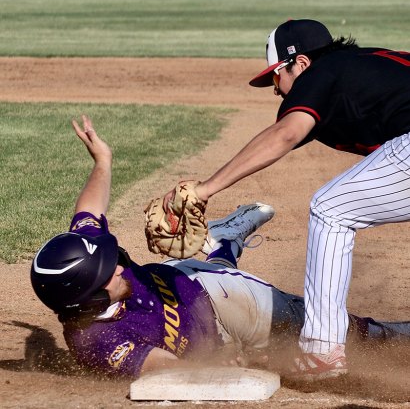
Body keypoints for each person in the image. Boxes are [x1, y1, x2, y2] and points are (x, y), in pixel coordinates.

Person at [31, 116, 410, 379]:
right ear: (88, 300)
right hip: (212, 331)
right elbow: (164, 367)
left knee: (321, 328)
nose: (117, 265)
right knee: (255, 328)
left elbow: (88, 210)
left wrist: (103, 161)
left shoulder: (87, 257)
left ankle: (395, 334)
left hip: (217, 296)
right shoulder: (99, 343)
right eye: (107, 273)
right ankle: (225, 242)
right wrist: (219, 366)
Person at [164, 18, 410, 380]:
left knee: (331, 210)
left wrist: (203, 190)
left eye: (277, 76)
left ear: (303, 63)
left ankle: (322, 351)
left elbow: (284, 135)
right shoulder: (365, 70)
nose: (276, 90)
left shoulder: (323, 73)